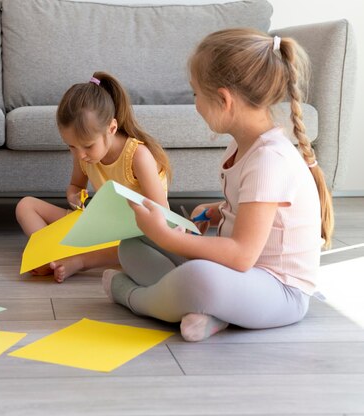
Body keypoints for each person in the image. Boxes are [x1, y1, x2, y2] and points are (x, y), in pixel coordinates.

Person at [102, 28, 334, 342]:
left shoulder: (269, 160)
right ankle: (209, 312)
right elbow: (256, 211)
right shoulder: (242, 146)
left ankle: (133, 297)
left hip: (279, 291)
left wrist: (166, 236)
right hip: (242, 277)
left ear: (223, 99)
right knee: (132, 245)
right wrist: (215, 211)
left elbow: (240, 255)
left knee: (198, 277)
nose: (195, 104)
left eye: (196, 93)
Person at [16, 71, 171, 283]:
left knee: (137, 243)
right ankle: (48, 254)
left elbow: (164, 217)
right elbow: (75, 186)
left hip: (134, 231)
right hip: (99, 226)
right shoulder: (84, 155)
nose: (79, 154)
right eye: (71, 146)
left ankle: (78, 260)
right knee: (26, 205)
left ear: (112, 128)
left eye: (88, 146)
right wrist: (74, 197)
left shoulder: (138, 156)